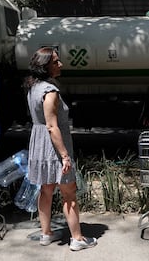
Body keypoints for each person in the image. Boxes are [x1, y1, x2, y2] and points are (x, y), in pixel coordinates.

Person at [24, 47, 97, 251]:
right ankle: (77, 239)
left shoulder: (33, 88)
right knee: (69, 194)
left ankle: (46, 234)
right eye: (55, 62)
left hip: (38, 145)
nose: (60, 64)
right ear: (45, 66)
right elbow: (52, 126)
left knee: (45, 191)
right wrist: (65, 156)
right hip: (54, 148)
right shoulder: (50, 92)